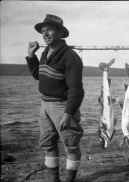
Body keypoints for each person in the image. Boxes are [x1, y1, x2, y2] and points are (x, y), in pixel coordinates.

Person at [26, 14, 84, 182]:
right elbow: (39, 75)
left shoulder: (70, 57)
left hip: (62, 106)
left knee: (71, 146)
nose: (45, 34)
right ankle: (54, 180)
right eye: (43, 31)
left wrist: (68, 113)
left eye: (49, 30)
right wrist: (31, 56)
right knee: (48, 144)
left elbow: (76, 90)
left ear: (60, 32)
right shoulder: (45, 53)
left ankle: (69, 180)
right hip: (45, 105)